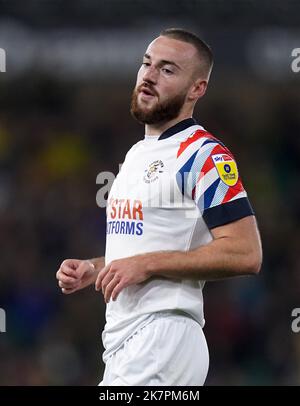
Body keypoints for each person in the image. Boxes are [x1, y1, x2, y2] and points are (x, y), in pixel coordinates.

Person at [56, 28, 262, 386]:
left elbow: (246, 252)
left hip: (163, 339)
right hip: (126, 342)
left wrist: (146, 264)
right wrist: (95, 268)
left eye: (167, 70)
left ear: (197, 88)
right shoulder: (138, 154)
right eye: (147, 64)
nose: (149, 75)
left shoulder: (203, 154)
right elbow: (148, 248)